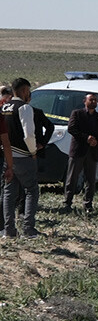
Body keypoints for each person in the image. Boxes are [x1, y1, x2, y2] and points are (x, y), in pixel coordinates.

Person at [2, 78, 42, 238]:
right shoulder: (24, 108)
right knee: (31, 191)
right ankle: (28, 229)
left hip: (8, 156)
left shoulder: (4, 107)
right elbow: (29, 135)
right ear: (25, 91)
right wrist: (33, 151)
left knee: (9, 193)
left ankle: (9, 230)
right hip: (24, 156)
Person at [64, 93, 98, 213]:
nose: (93, 102)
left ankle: (88, 204)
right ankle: (67, 203)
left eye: (95, 100)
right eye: (91, 100)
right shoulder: (77, 114)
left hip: (92, 152)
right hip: (78, 151)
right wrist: (86, 138)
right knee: (72, 178)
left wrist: (96, 140)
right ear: (85, 101)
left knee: (90, 180)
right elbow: (71, 128)